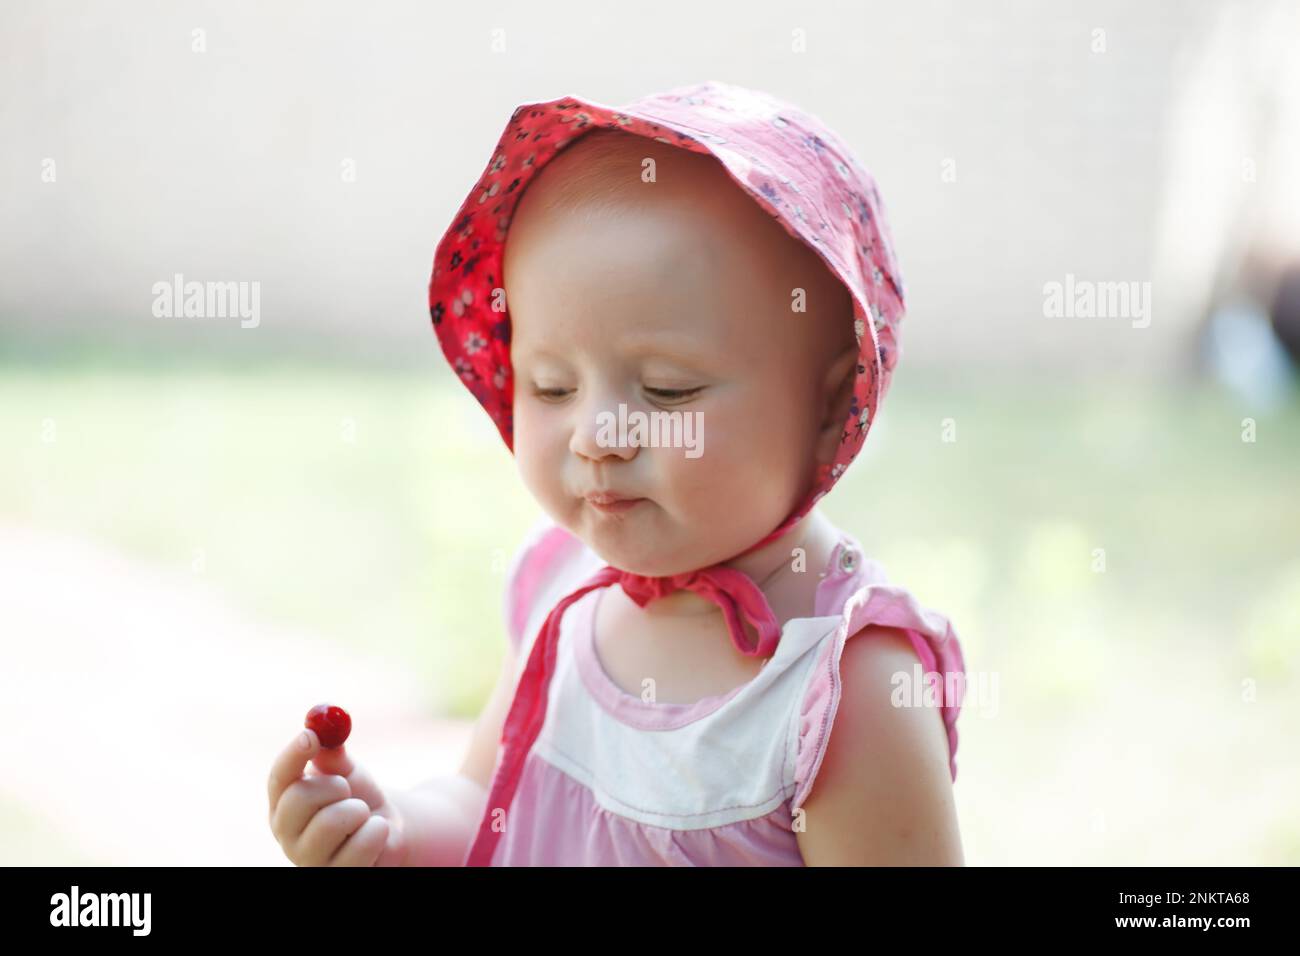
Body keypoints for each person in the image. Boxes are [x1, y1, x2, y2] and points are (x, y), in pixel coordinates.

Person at [268, 80, 968, 866]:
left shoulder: (843, 690)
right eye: (551, 387)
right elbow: (486, 807)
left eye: (668, 390)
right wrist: (392, 834)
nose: (599, 435)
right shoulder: (563, 588)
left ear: (832, 407)